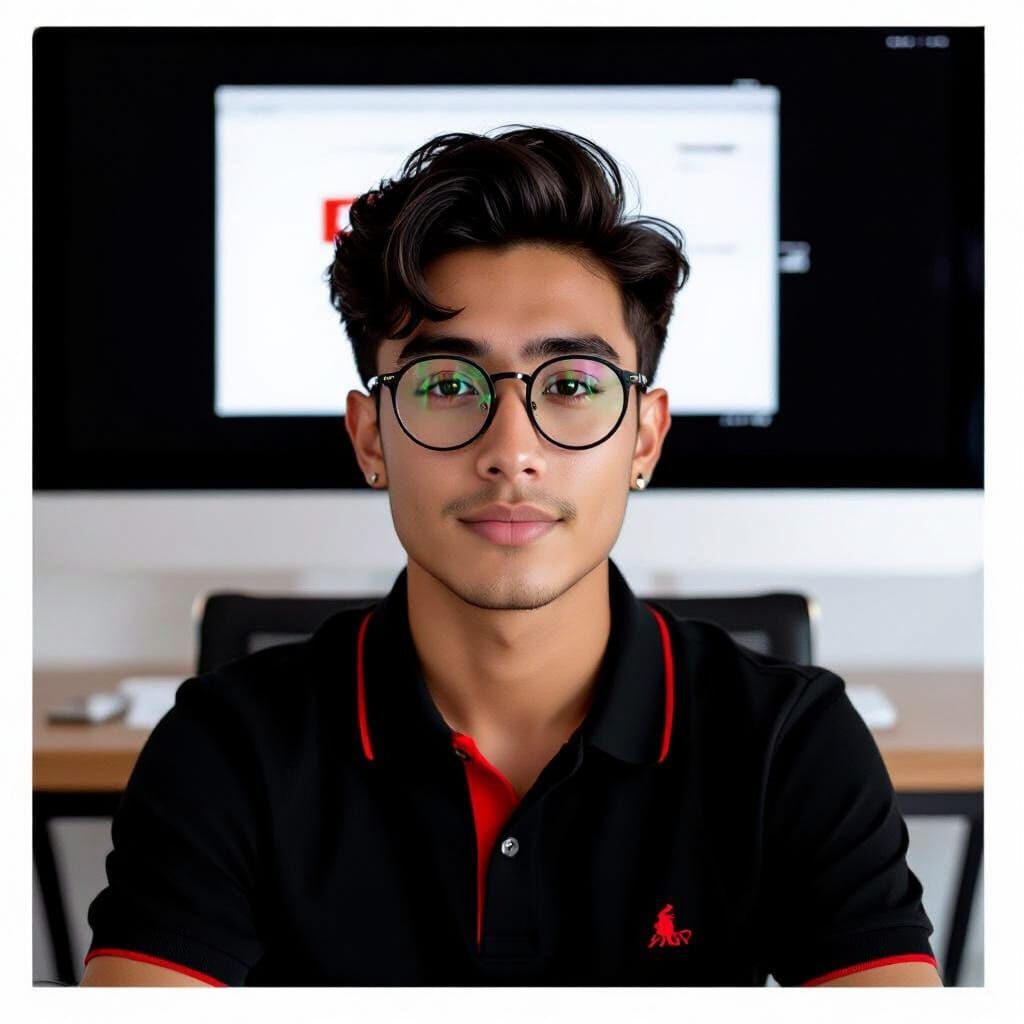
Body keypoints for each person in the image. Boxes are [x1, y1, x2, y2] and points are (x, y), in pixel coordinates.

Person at [81, 125, 941, 986]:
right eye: (448, 385)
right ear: (369, 436)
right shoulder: (228, 746)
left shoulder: (789, 742)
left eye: (570, 385)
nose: (511, 449)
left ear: (645, 437)